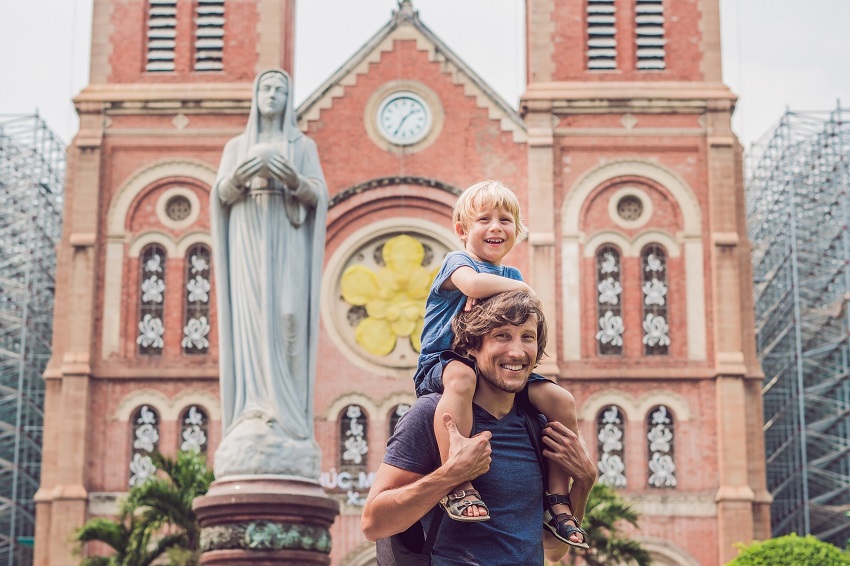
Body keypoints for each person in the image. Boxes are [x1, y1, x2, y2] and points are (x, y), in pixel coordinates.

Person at [411, 180, 588, 546]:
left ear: (517, 231)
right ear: (462, 230)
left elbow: (531, 324)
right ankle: (458, 481)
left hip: (494, 369)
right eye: (484, 219)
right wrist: (523, 292)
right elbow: (474, 286)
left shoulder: (512, 277)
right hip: (444, 361)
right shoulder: (457, 263)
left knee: (560, 401)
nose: (496, 227)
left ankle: (557, 501)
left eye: (506, 220)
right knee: (461, 380)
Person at [362, 291, 596, 564]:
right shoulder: (433, 415)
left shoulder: (539, 427)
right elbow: (373, 524)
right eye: (502, 336)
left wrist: (583, 482)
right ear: (471, 345)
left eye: (528, 337)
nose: (517, 352)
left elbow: (554, 550)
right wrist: (451, 475)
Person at [210, 69, 328, 478]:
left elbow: (317, 194)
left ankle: (289, 415)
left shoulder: (302, 145)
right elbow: (220, 195)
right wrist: (240, 176)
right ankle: (254, 409)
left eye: (281, 89)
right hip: (249, 240)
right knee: (253, 325)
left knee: (288, 317)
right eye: (267, 88)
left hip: (289, 239)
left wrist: (293, 179)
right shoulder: (236, 146)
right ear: (256, 95)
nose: (273, 94)